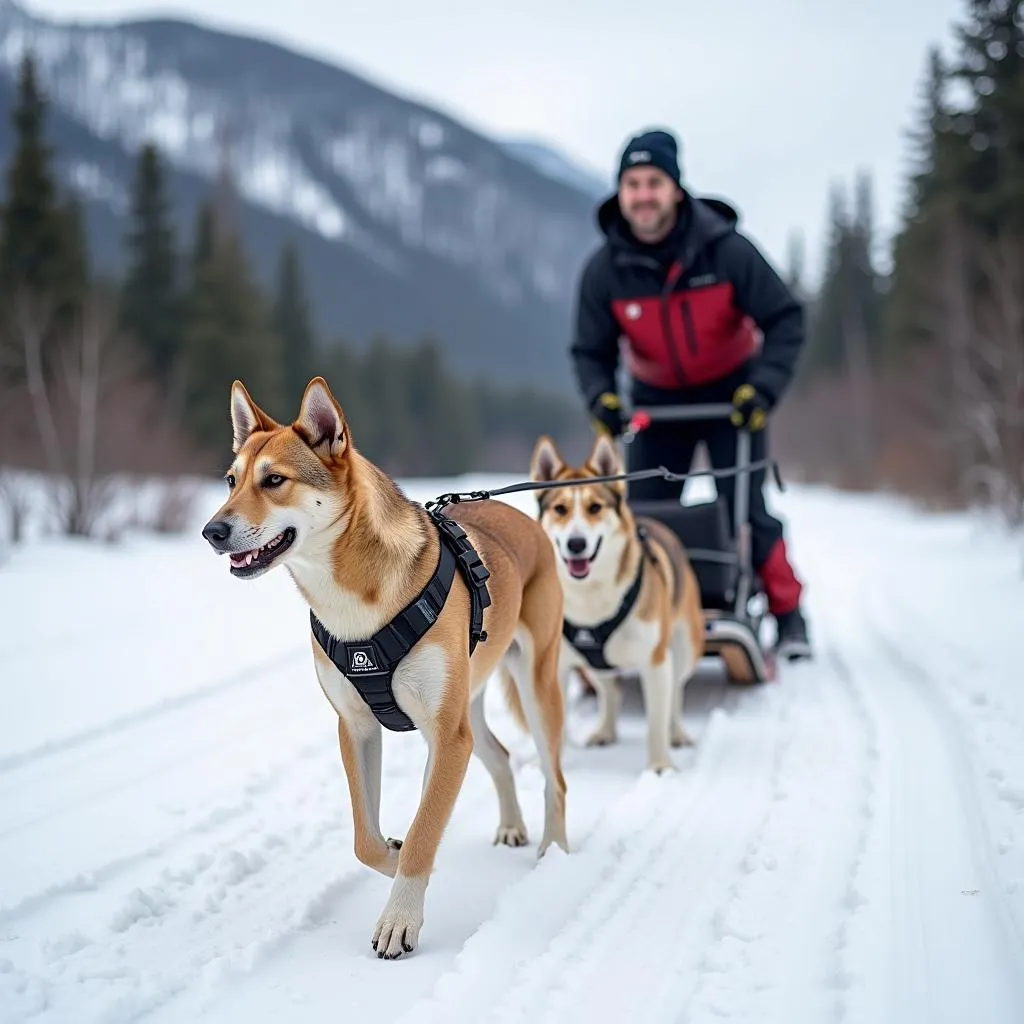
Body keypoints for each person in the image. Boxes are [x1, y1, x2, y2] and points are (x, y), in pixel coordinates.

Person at [569, 127, 812, 659]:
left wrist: (763, 389)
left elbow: (786, 319)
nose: (643, 195)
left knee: (746, 507)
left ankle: (789, 615)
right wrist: (602, 401)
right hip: (656, 404)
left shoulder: (726, 251)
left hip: (733, 399)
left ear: (676, 188)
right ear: (621, 192)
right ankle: (637, 614)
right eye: (632, 184)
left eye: (653, 181)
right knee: (642, 514)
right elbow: (590, 351)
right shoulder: (606, 270)